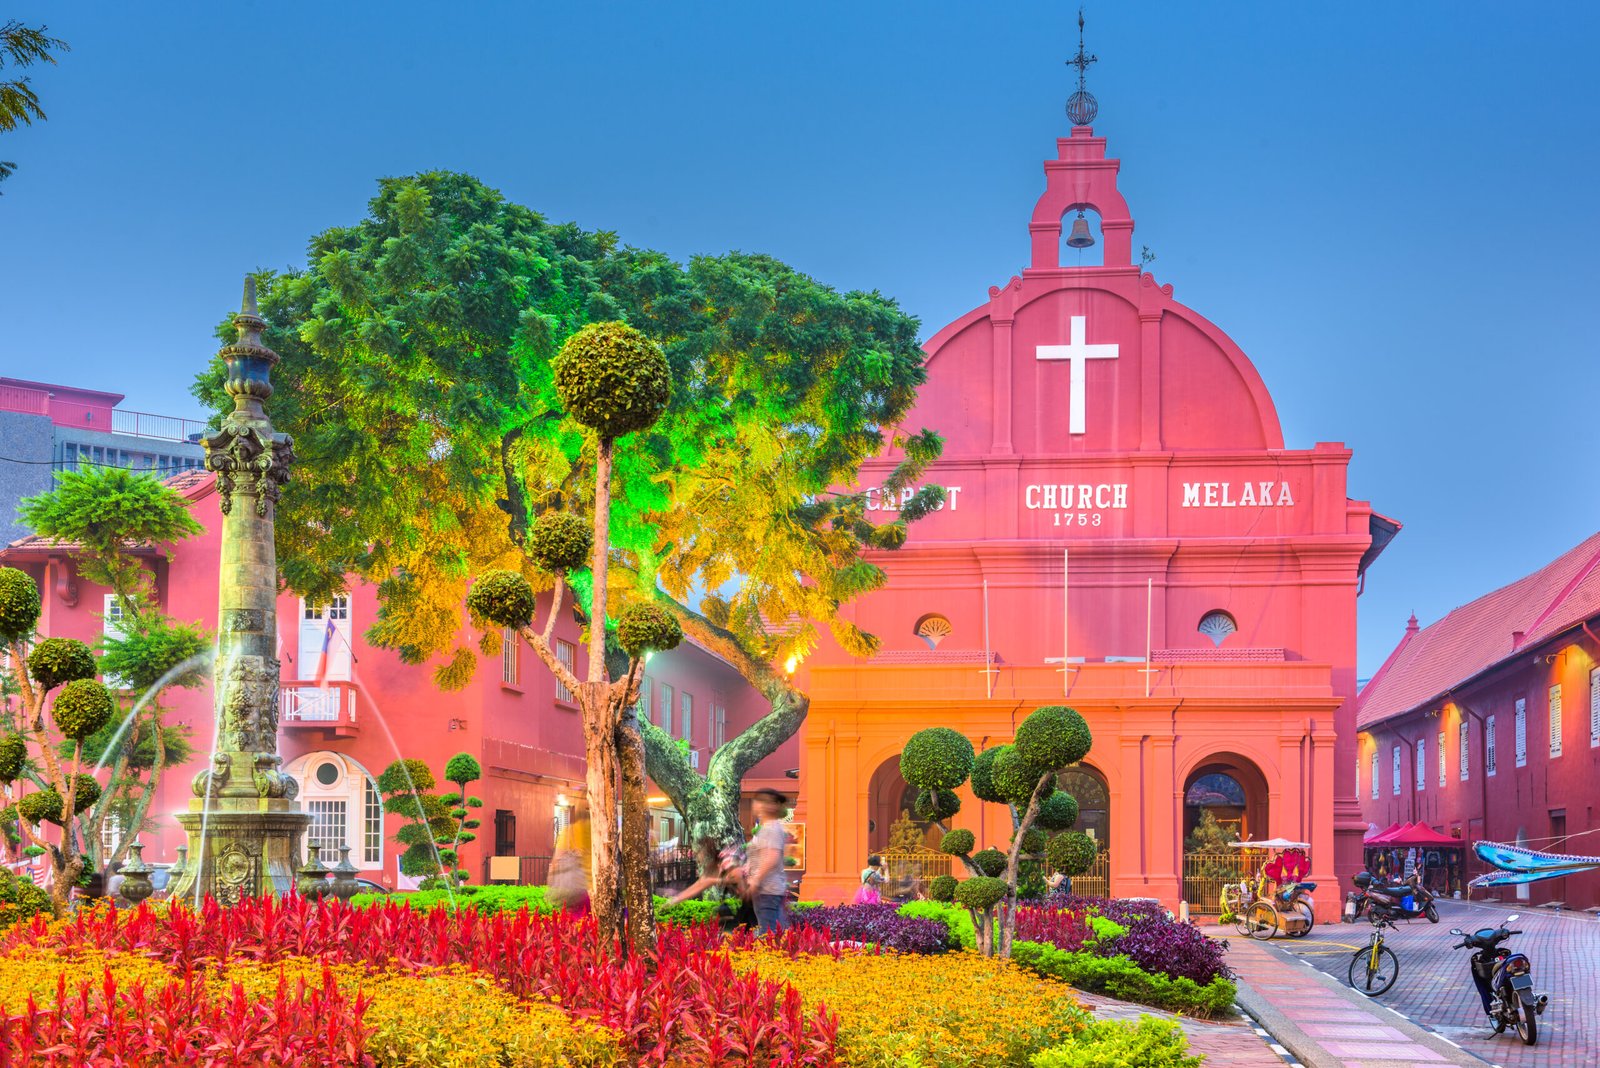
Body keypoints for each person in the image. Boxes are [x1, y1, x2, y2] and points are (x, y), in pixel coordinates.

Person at [745, 789, 791, 936]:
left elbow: (772, 857)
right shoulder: (767, 827)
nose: (757, 805)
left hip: (767, 889)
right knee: (773, 932)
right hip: (767, 889)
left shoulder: (771, 828)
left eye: (760, 801)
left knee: (769, 936)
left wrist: (756, 879)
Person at [548, 814, 592, 915]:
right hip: (598, 888)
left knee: (577, 924)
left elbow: (556, 862)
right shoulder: (603, 831)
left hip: (578, 891)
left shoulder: (569, 832)